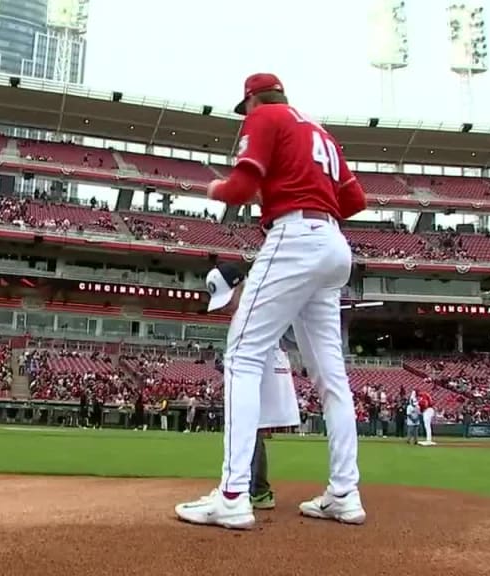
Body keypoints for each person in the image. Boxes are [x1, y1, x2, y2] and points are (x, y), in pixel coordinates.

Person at [174, 73, 367, 530]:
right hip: (333, 243)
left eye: (247, 108)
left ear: (254, 98)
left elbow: (239, 189)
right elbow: (354, 200)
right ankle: (345, 492)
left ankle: (234, 494)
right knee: (332, 379)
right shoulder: (320, 131)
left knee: (241, 354)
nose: (246, 117)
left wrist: (212, 190)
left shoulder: (264, 117)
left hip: (295, 237)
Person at [176, 264, 301, 522]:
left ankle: (237, 492)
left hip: (267, 367)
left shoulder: (256, 307)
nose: (224, 307)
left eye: (227, 298)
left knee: (247, 425)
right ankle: (256, 491)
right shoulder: (256, 306)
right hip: (270, 364)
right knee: (253, 427)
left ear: (240, 286)